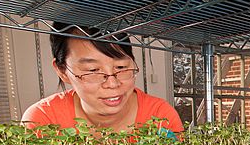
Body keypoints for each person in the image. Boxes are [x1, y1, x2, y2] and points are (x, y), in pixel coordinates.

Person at [21, 23, 183, 134]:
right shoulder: (43, 120)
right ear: (62, 71)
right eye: (93, 70)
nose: (112, 84)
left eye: (121, 67)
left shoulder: (159, 115)